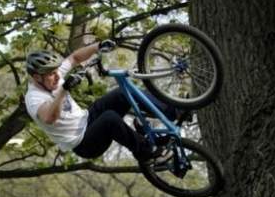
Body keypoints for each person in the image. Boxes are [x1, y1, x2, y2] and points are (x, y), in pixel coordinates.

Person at [24, 40, 177, 163]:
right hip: (83, 143)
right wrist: (64, 89)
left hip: (87, 118)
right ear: (37, 77)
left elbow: (75, 58)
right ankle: (147, 152)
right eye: (52, 74)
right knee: (110, 119)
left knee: (121, 93)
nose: (58, 76)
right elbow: (49, 118)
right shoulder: (34, 98)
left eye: (57, 71)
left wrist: (98, 46)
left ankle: (172, 111)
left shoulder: (53, 76)